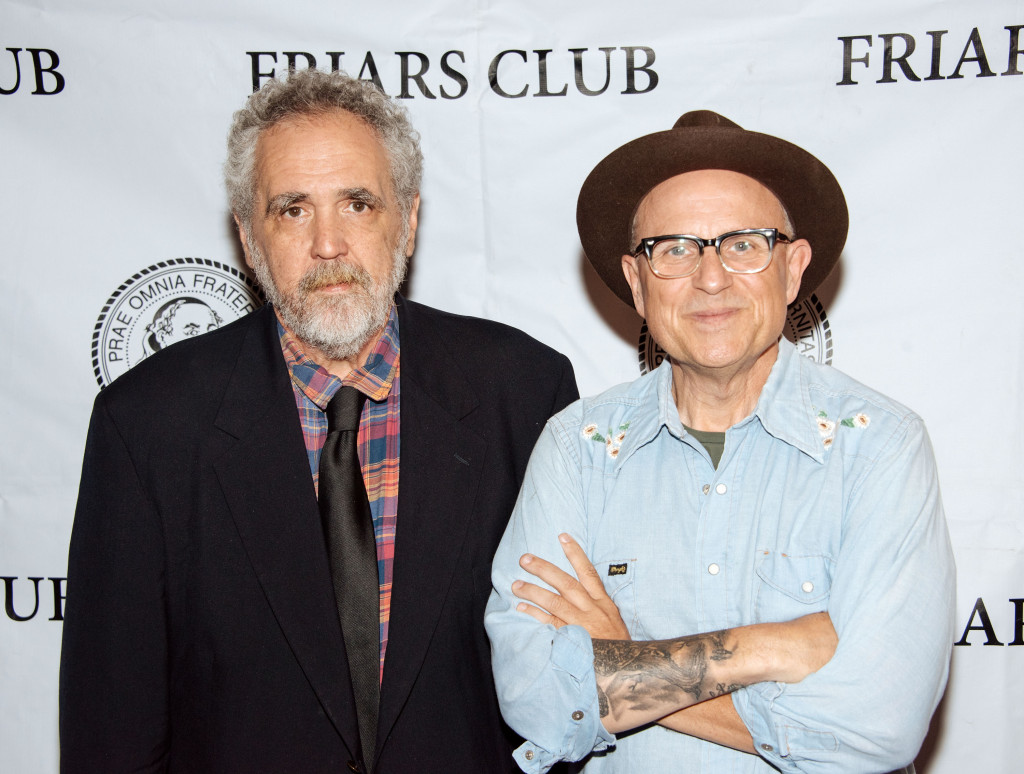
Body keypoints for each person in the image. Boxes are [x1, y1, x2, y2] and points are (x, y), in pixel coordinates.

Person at [59, 68, 578, 773]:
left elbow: (572, 674)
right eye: (292, 209)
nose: (328, 244)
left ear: (410, 220)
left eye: (359, 204)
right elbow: (111, 730)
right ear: (248, 236)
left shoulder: (525, 390)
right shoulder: (148, 424)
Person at [486, 110, 955, 773]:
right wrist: (771, 647)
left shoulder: (879, 446)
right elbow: (534, 697)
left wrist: (625, 665)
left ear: (791, 270)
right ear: (636, 282)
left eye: (743, 244)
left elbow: (876, 727)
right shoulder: (578, 447)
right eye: (673, 249)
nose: (710, 278)